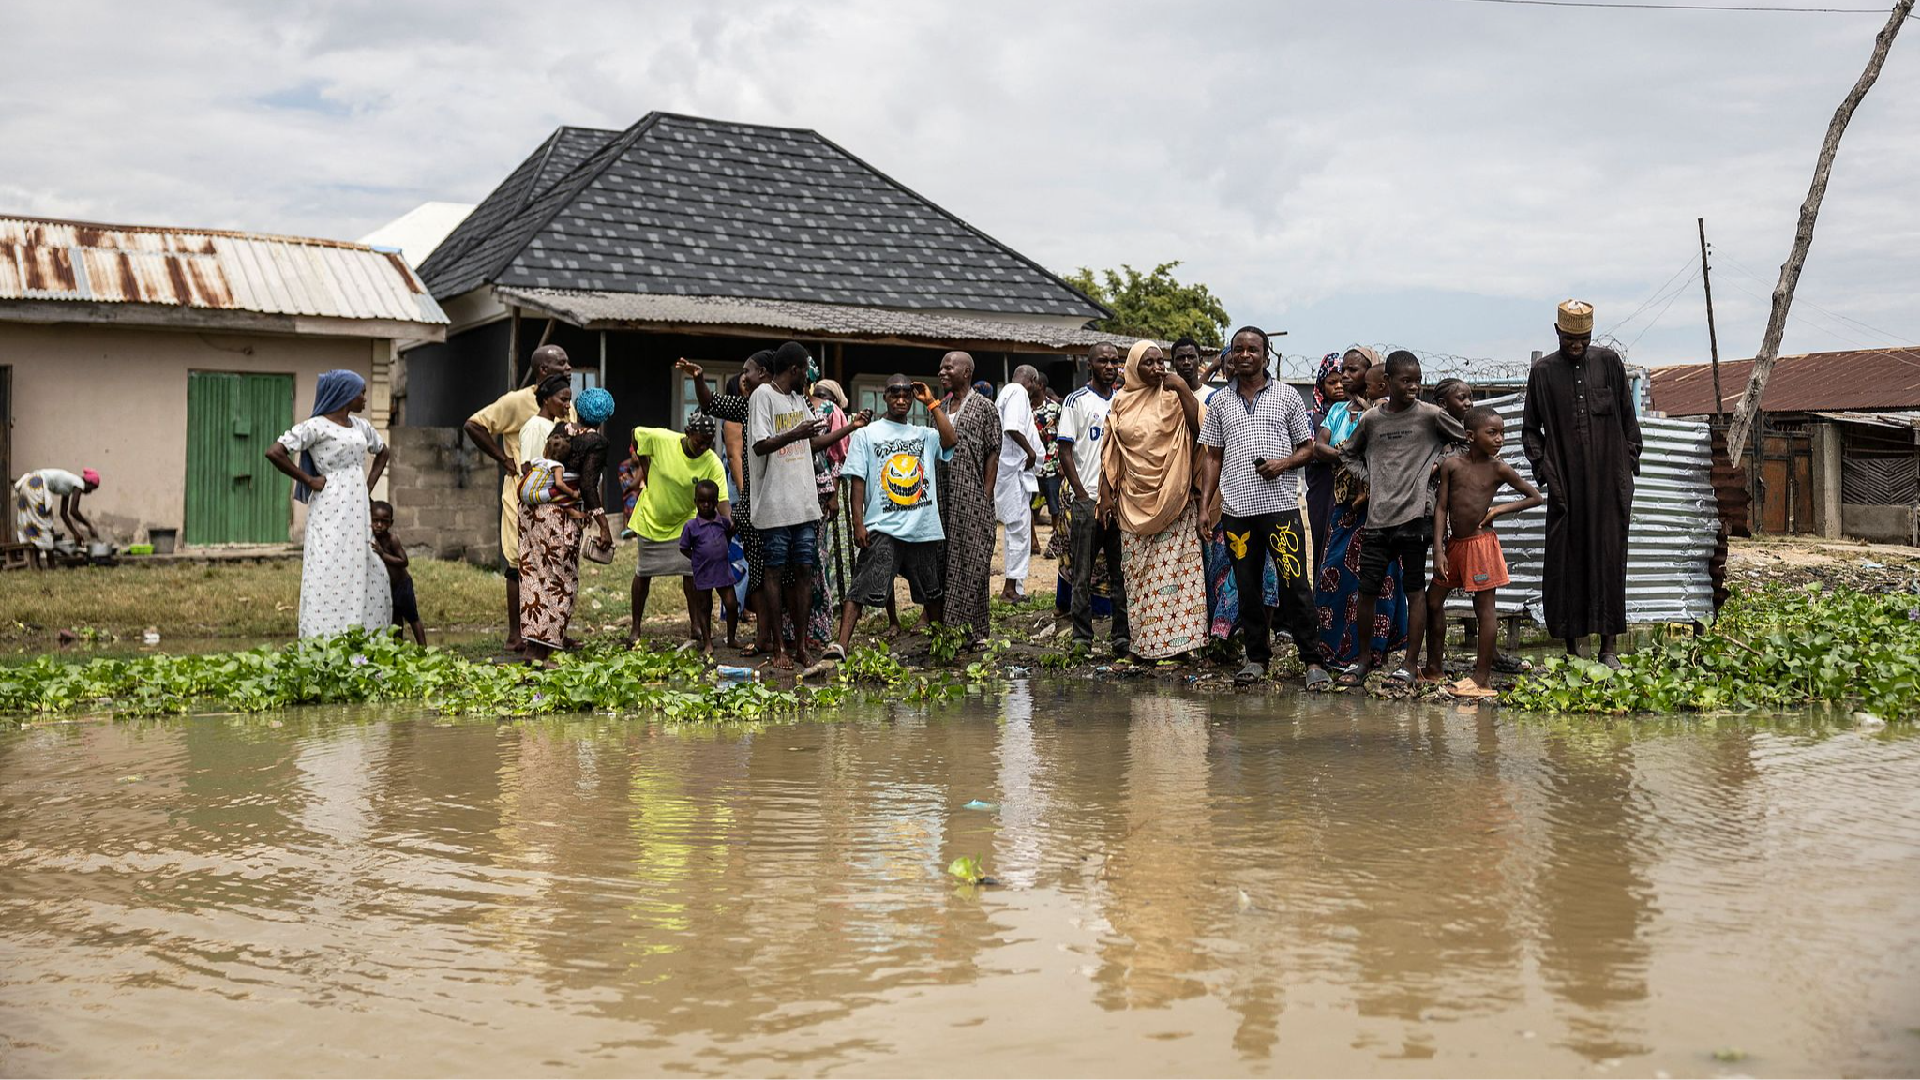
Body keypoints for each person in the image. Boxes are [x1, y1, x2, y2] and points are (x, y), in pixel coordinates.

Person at [1196, 327, 1331, 688]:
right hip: (1237, 510)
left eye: (1252, 350)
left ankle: (1312, 660)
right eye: (1238, 350)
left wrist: (1282, 464)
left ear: (1265, 356)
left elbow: (1308, 448)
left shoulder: (1286, 396)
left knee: (1295, 584)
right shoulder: (1220, 403)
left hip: (1280, 508)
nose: (1244, 356)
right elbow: (1211, 454)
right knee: (1247, 586)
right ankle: (1256, 657)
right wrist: (1205, 506)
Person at [1335, 351, 1465, 688]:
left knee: (1414, 591)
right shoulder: (1372, 421)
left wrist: (1437, 469)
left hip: (1415, 517)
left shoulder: (1430, 415)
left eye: (1418, 380)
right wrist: (1371, 478)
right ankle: (1363, 661)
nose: (1414, 387)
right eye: (1406, 381)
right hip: (1378, 519)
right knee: (1367, 591)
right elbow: (1347, 453)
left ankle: (1408, 664)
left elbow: (1464, 443)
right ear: (1388, 383)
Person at [1523, 300, 1643, 669]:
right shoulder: (1543, 373)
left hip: (1609, 484)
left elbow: (1627, 419)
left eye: (1583, 339)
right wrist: (1546, 471)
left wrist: (1626, 465)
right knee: (1565, 563)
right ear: (1558, 332)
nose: (1576, 345)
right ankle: (1574, 649)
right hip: (1566, 487)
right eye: (1570, 339)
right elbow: (1531, 431)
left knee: (1609, 560)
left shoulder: (1608, 363)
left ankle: (1608, 648)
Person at [748, 342, 866, 670]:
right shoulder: (762, 396)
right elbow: (760, 445)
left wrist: (849, 428)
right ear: (796, 369)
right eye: (806, 370)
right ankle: (779, 649)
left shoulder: (799, 399)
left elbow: (811, 442)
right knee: (774, 572)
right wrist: (796, 431)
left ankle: (800, 646)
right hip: (774, 503)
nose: (809, 378)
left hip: (804, 502)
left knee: (804, 570)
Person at [826, 376, 956, 661]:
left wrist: (932, 402)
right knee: (862, 584)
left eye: (906, 395)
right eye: (894, 394)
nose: (901, 399)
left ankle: (941, 645)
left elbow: (950, 439)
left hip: (921, 526)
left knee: (931, 590)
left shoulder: (924, 435)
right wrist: (858, 524)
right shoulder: (866, 435)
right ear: (884, 396)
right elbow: (857, 481)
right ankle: (841, 645)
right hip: (883, 525)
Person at [1100, 341, 1206, 661]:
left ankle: (1182, 647)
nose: (1157, 368)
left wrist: (1184, 391)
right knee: (1138, 576)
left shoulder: (1173, 397)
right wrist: (1105, 495)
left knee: (1178, 575)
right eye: (1149, 363)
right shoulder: (1120, 402)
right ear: (1134, 367)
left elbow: (1200, 430)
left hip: (1174, 497)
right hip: (1133, 501)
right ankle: (1143, 646)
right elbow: (1110, 451)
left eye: (1161, 362)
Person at [265, 369, 392, 639]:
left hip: (356, 506)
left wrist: (366, 487)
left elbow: (383, 452)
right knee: (327, 565)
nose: (365, 399)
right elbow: (275, 452)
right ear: (346, 395)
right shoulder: (316, 426)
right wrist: (309, 480)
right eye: (361, 393)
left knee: (360, 564)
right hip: (330, 503)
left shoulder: (361, 426)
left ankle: (358, 633)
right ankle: (323, 635)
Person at [1426, 406, 1543, 696]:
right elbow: (1441, 508)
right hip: (1455, 545)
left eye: (1502, 433)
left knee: (1484, 610)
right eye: (1492, 433)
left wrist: (1499, 509)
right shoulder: (1452, 465)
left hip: (1481, 545)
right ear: (1470, 435)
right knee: (1432, 601)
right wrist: (1439, 550)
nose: (1499, 439)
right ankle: (1434, 668)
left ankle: (1482, 678)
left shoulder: (1498, 468)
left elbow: (1535, 497)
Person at [464, 344, 573, 651]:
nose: (569, 368)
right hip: (523, 493)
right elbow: (474, 424)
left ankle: (551, 631)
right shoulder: (517, 402)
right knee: (519, 563)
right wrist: (503, 458)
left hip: (556, 496)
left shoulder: (565, 400)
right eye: (562, 364)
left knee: (554, 562)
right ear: (543, 371)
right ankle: (517, 634)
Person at [1313, 347, 1410, 670]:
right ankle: (1334, 650)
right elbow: (1319, 445)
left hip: (1380, 508)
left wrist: (1344, 454)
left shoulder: (1386, 411)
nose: (1345, 375)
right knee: (1334, 573)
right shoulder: (1338, 411)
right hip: (1345, 506)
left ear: (1375, 378)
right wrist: (1348, 454)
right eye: (1344, 369)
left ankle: (1373, 652)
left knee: (1379, 579)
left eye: (1354, 370)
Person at [519, 387, 614, 664]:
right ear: (604, 416)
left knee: (535, 577)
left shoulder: (560, 427)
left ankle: (533, 651)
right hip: (559, 514)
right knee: (562, 582)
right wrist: (603, 525)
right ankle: (544, 651)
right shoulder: (596, 442)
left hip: (533, 511)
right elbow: (586, 485)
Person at [625, 403, 730, 646]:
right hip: (653, 518)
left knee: (691, 573)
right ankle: (635, 627)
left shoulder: (711, 462)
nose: (703, 447)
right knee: (644, 573)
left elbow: (722, 499)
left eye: (708, 442)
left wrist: (727, 523)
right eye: (699, 441)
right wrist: (646, 468)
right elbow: (636, 435)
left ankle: (695, 625)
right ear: (687, 433)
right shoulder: (663, 439)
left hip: (684, 522)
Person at [1056, 341, 1128, 654]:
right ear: (1091, 366)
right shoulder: (1076, 402)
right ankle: (1082, 638)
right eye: (1103, 362)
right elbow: (1065, 451)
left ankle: (1122, 637)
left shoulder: (1125, 401)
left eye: (1115, 361)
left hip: (1120, 502)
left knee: (1120, 573)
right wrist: (1083, 494)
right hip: (1087, 501)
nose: (1110, 367)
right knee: (1082, 574)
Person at [936, 351, 1000, 645]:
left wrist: (985, 498)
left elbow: (993, 454)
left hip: (973, 496)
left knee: (973, 560)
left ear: (967, 372)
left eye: (949, 367)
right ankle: (948, 627)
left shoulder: (985, 407)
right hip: (943, 497)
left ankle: (972, 630)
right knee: (946, 559)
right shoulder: (941, 407)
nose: (942, 372)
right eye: (941, 368)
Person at [995, 365, 1046, 600]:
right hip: (1013, 472)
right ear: (1033, 381)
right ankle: (1010, 588)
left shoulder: (1008, 392)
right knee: (1018, 531)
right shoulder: (1016, 392)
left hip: (1014, 472)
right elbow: (1012, 427)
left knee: (1018, 530)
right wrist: (1031, 452)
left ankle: (1014, 586)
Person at [679, 479, 737, 655]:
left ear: (716, 502)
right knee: (705, 606)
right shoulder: (691, 526)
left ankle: (732, 638)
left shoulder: (722, 522)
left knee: (732, 604)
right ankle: (708, 642)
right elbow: (684, 547)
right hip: (703, 572)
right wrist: (697, 558)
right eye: (702, 501)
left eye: (710, 502)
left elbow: (728, 535)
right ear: (695, 502)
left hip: (722, 570)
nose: (706, 505)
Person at [1303, 353, 1349, 573]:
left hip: (1349, 492)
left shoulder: (1357, 414)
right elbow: (1310, 452)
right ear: (1322, 385)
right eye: (1332, 382)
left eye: (1342, 381)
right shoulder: (1312, 417)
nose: (1338, 387)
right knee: (1323, 545)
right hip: (1322, 491)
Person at [370, 500, 426, 646]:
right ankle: (398, 649)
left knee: (412, 617)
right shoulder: (372, 539)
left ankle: (424, 649)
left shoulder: (391, 540)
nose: (379, 525)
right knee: (396, 620)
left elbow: (403, 561)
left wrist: (384, 555)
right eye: (375, 521)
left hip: (403, 585)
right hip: (390, 587)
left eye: (384, 521)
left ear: (391, 523)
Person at [12, 467, 100, 549]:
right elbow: (74, 511)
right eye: (92, 488)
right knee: (45, 523)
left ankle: (35, 560)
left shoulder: (70, 485)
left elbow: (63, 514)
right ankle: (50, 563)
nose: (90, 492)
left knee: (32, 522)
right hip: (36, 485)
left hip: (28, 483)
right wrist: (89, 526)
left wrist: (75, 533)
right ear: (88, 483)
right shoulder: (79, 483)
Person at [518, 429, 581, 508]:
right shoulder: (557, 466)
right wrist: (572, 493)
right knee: (559, 492)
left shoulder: (538, 460)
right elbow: (559, 483)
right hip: (530, 495)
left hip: (520, 491)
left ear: (545, 449)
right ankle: (570, 510)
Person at [1033, 386, 1063, 529]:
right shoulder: (1025, 408)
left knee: (1054, 505)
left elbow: (1064, 435)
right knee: (1028, 504)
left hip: (1051, 463)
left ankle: (1055, 535)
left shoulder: (1054, 408)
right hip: (1030, 464)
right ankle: (1033, 541)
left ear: (1041, 386)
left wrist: (1062, 462)